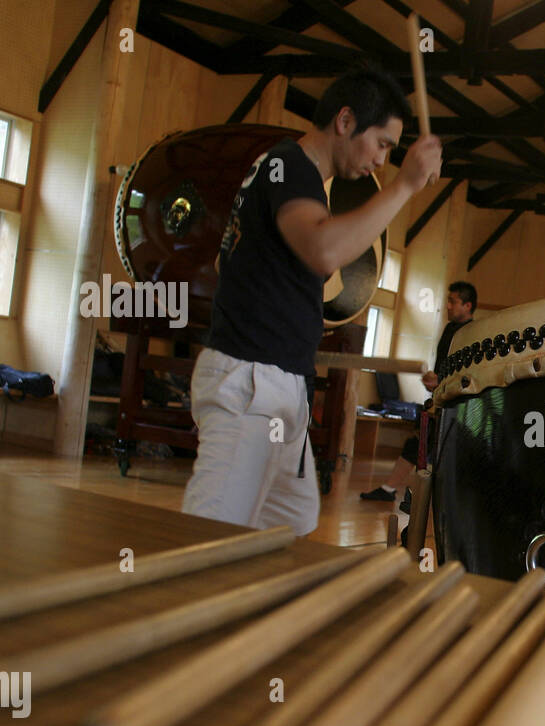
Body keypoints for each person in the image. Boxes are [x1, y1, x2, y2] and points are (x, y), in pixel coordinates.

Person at [181, 67, 443, 536]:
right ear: (345, 121)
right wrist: (406, 186)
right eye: (382, 143)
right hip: (251, 385)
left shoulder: (296, 177)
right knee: (210, 540)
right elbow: (324, 251)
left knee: (290, 529)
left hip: (279, 388)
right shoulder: (289, 166)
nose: (383, 161)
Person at [361, 281, 476, 503]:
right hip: (438, 400)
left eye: (453, 302)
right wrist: (434, 379)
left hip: (456, 405)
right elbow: (446, 366)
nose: (448, 306)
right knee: (417, 442)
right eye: (448, 301)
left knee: (440, 450)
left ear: (468, 305)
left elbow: (466, 374)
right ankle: (390, 488)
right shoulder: (449, 329)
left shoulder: (471, 334)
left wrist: (441, 382)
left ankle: (439, 499)